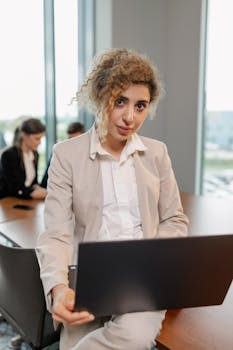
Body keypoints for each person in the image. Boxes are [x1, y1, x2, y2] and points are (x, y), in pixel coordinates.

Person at [36, 48, 188, 350]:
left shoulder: (157, 153)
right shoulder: (66, 155)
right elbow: (56, 233)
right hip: (89, 284)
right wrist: (58, 287)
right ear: (100, 96)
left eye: (141, 105)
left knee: (133, 336)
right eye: (120, 101)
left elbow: (174, 219)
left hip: (143, 280)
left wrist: (152, 258)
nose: (130, 117)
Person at [0, 118, 47, 199]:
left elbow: (33, 182)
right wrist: (35, 193)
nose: (39, 143)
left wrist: (40, 189)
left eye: (41, 138)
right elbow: (15, 188)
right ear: (24, 135)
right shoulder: (9, 155)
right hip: (8, 201)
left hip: (25, 201)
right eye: (37, 138)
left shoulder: (35, 154)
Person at [40, 121, 85, 189]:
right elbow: (45, 182)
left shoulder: (89, 155)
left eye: (77, 140)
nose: (73, 143)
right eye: (70, 139)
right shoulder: (59, 153)